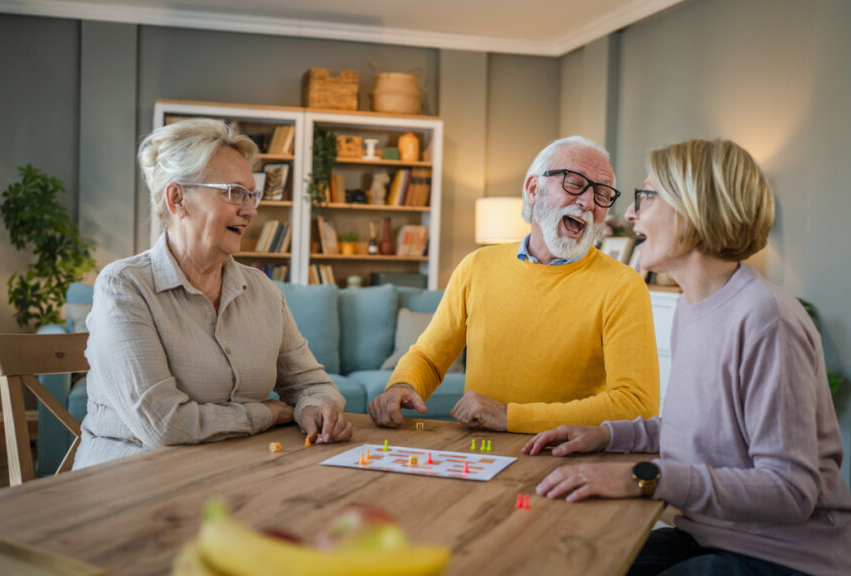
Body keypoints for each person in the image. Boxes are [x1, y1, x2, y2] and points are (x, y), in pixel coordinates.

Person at [524, 139, 851, 576]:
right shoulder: (692, 307)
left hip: (785, 557)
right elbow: (701, 431)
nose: (628, 215)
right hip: (711, 536)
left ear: (694, 208)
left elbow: (791, 490)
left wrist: (642, 477)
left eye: (646, 196)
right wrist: (604, 435)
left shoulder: (765, 318)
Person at [73, 119, 350, 469]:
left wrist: (315, 407)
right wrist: (266, 413)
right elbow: (165, 424)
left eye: (252, 194)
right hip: (132, 480)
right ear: (177, 198)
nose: (250, 210)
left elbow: (311, 383)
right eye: (234, 192)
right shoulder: (124, 286)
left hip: (233, 473)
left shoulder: (261, 289)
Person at [368, 136, 659, 433]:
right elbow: (429, 357)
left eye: (602, 193)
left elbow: (637, 405)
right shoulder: (477, 265)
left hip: (567, 460)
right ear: (534, 189)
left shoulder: (623, 286)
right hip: (479, 451)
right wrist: (402, 385)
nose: (588, 202)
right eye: (574, 183)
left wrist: (511, 416)